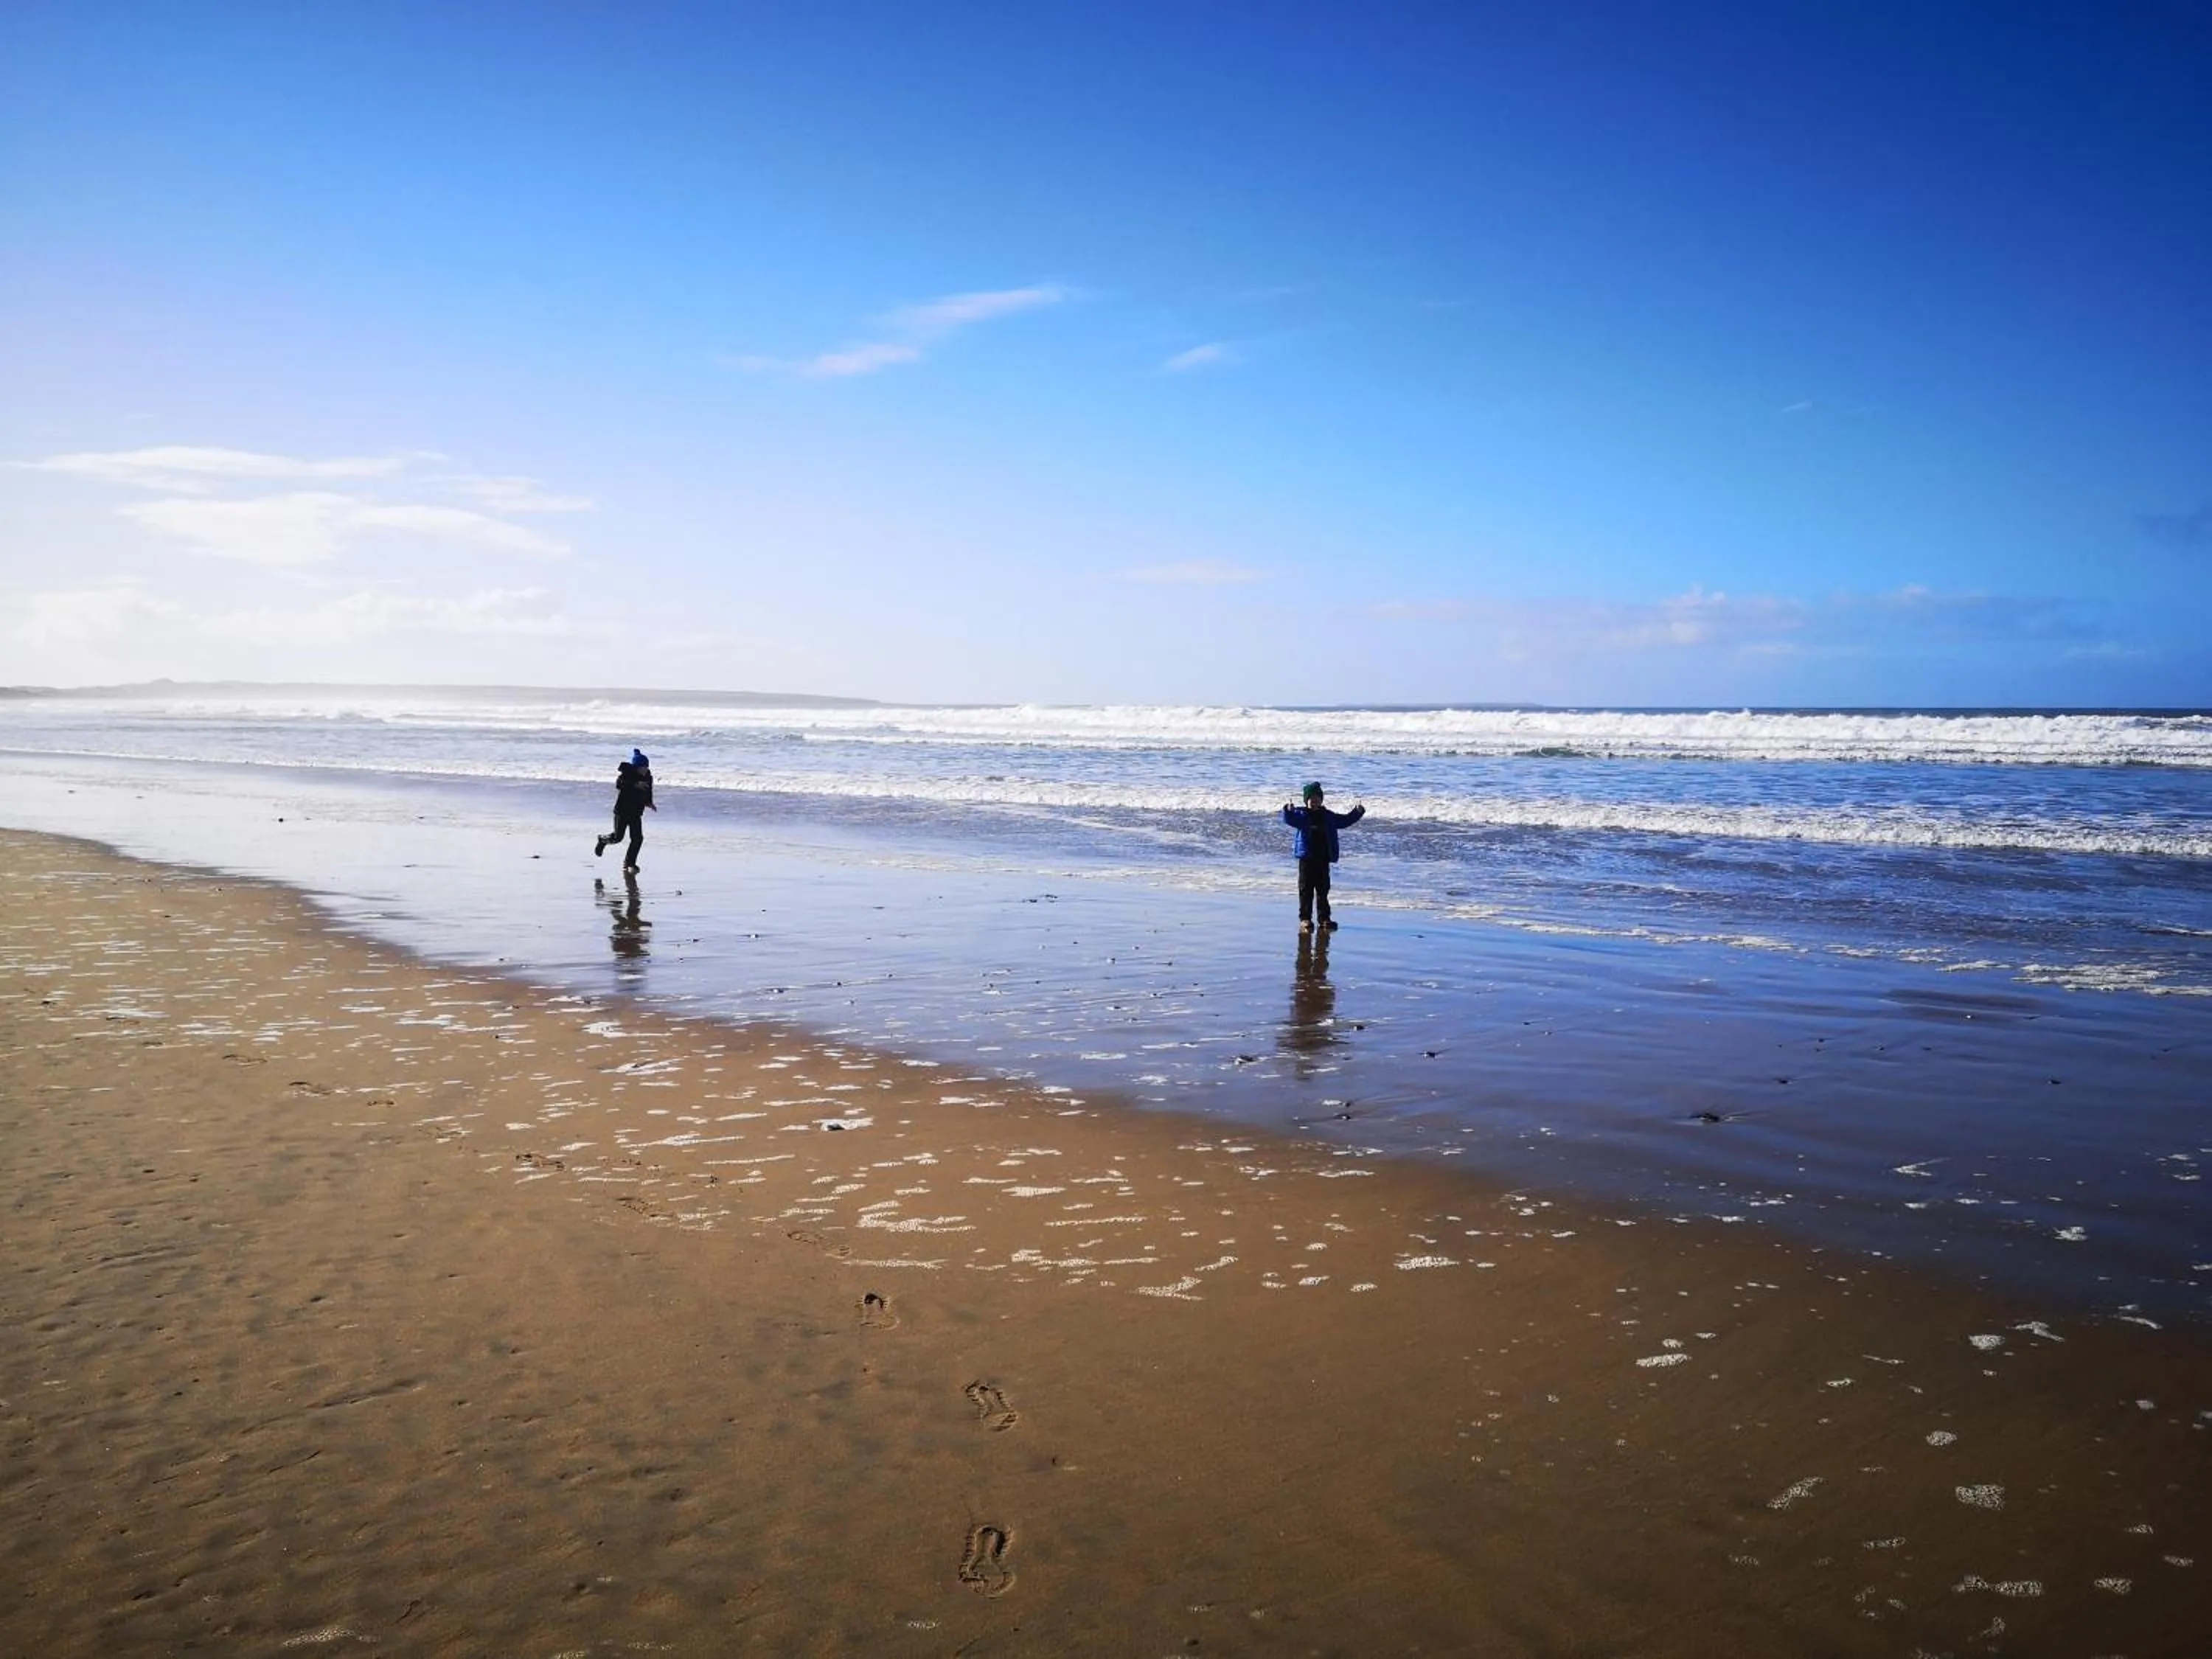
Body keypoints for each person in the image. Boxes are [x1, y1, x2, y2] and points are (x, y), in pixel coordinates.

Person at [1281, 781, 1364, 932]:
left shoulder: (1328, 816)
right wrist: (1288, 810)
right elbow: (1289, 819)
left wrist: (1357, 812)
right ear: (1306, 801)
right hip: (1306, 858)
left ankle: (1324, 918)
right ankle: (1305, 919)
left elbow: (1344, 821)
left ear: (1321, 800)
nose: (1315, 801)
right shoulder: (1301, 814)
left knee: (1323, 890)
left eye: (1317, 798)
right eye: (1311, 799)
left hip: (1323, 858)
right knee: (1306, 889)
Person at [594, 748, 655, 871]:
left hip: (636, 812)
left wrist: (649, 802)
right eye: (642, 767)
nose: (645, 770)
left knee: (638, 839)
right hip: (622, 812)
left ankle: (629, 863)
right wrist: (635, 784)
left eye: (646, 767)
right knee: (618, 838)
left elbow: (648, 791)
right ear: (636, 767)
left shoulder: (648, 777)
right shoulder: (627, 774)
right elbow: (619, 784)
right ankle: (602, 840)